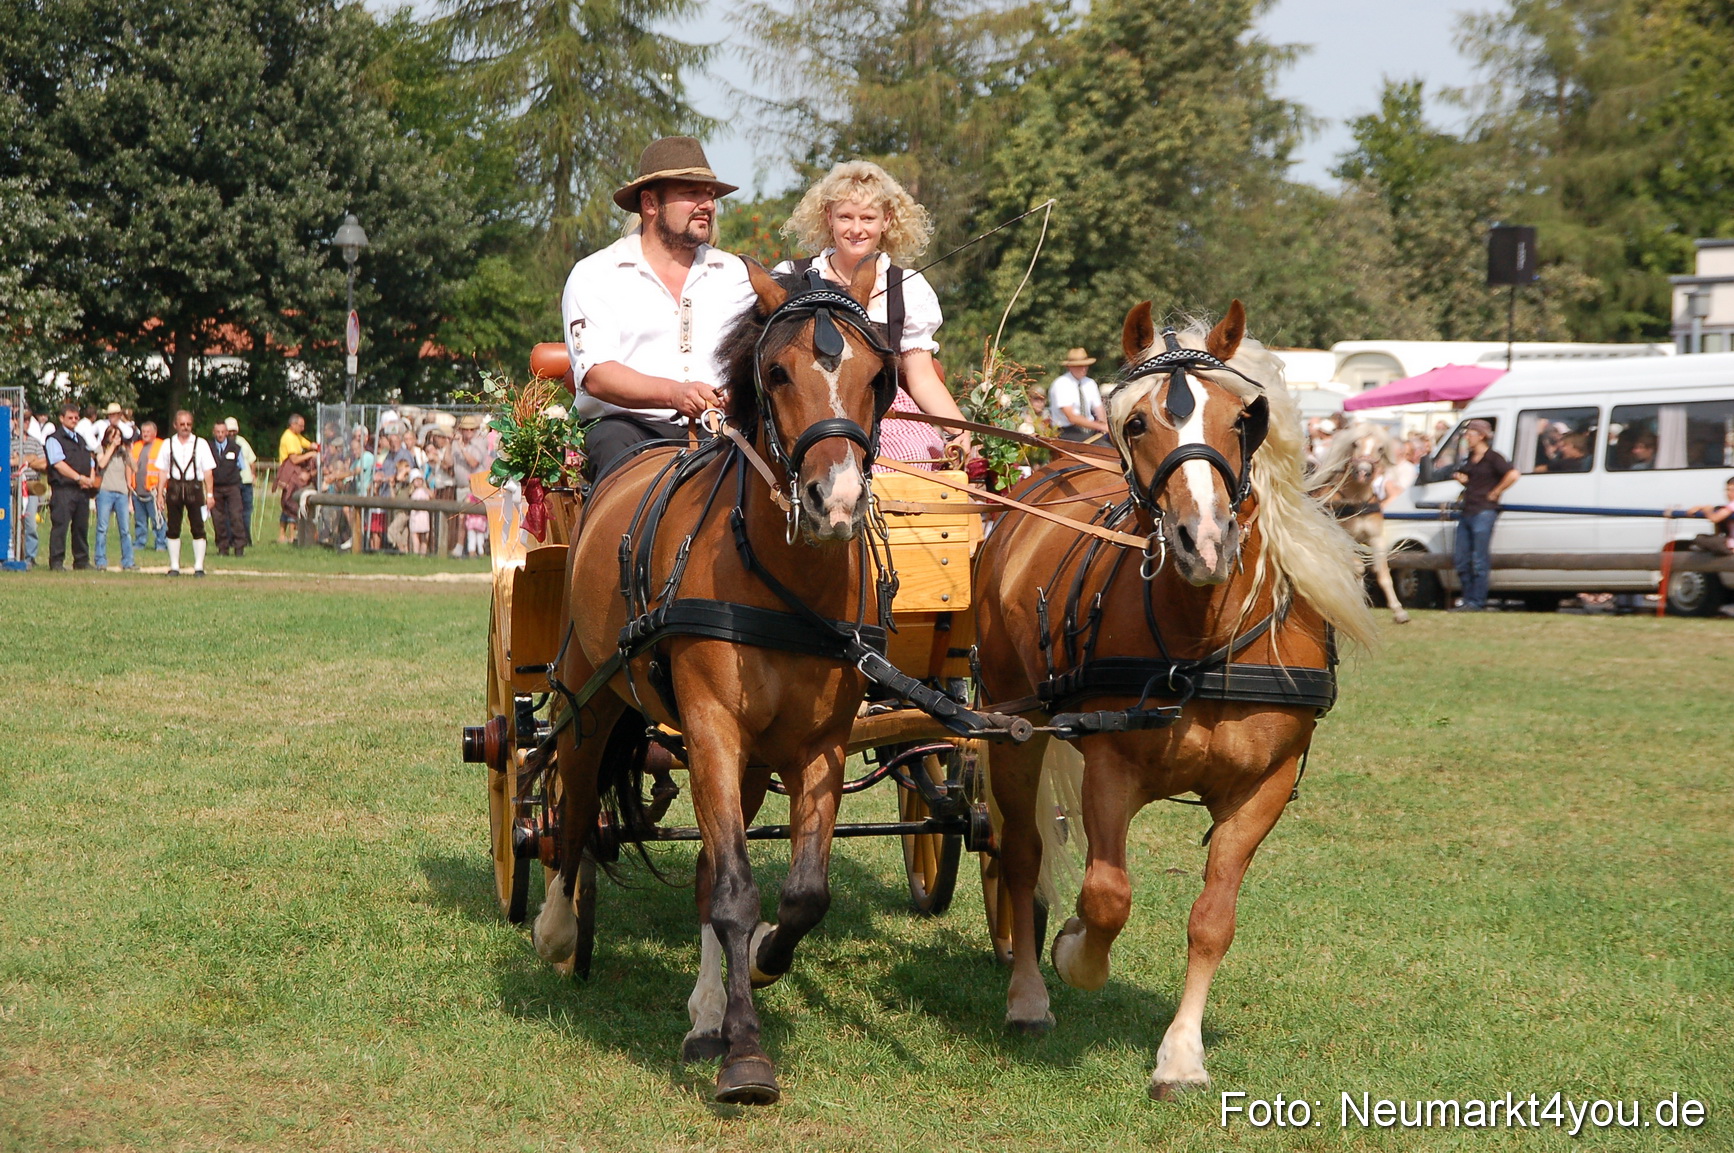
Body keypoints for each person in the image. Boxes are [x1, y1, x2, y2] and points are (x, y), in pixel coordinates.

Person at [561, 136, 756, 480]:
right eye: (691, 193)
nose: (706, 204)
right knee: (611, 444)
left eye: (709, 194)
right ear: (650, 203)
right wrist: (675, 393)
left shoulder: (737, 274)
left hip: (722, 431)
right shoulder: (596, 274)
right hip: (629, 430)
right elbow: (597, 376)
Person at [775, 159, 971, 469]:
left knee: (908, 461)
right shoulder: (792, 277)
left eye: (868, 218)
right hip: (809, 412)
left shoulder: (907, 288)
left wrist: (958, 429)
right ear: (829, 217)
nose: (856, 229)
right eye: (845, 217)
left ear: (887, 220)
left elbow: (921, 377)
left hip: (882, 413)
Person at [1449, 418, 1520, 611]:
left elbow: (1513, 474)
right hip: (1468, 510)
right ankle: (1468, 598)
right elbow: (1470, 479)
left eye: (1470, 434)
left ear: (1481, 436)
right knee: (1462, 559)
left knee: (1479, 559)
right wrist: (1463, 481)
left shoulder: (1494, 458)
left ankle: (1476, 601)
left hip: (1484, 510)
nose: (1467, 438)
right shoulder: (1470, 459)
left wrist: (1496, 492)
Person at [154, 409, 216, 576]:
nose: (185, 427)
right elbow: (162, 471)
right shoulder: (167, 444)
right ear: (175, 425)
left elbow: (208, 471)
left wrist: (210, 495)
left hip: (194, 488)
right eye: (182, 424)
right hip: (174, 488)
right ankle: (174, 566)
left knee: (198, 527)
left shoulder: (201, 444)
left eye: (188, 424)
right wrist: (160, 494)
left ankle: (199, 567)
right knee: (173, 527)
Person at [43, 401, 98, 570]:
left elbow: (90, 460)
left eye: (76, 417)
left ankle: (81, 561)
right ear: (61, 418)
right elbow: (57, 463)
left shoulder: (80, 439)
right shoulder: (54, 439)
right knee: (61, 525)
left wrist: (90, 479)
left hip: (81, 490)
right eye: (70, 417)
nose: (74, 420)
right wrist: (78, 477)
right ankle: (57, 561)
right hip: (63, 489)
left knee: (81, 526)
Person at [92, 421, 137, 571]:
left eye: (119, 436)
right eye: (114, 436)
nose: (117, 439)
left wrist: (128, 451)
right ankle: (100, 560)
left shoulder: (122, 452)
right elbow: (102, 464)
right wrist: (111, 448)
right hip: (105, 491)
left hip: (122, 493)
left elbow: (135, 467)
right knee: (102, 528)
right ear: (108, 437)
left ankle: (128, 561)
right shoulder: (101, 449)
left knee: (125, 530)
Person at [1047, 349, 1107, 443]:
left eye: (1085, 365)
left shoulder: (1090, 383)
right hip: (1066, 432)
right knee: (1104, 448)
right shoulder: (1061, 384)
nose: (1084, 368)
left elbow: (1099, 409)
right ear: (1070, 367)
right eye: (1079, 366)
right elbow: (1072, 417)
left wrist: (1105, 425)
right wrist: (1100, 426)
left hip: (1090, 430)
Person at [276, 413, 318, 543]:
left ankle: (287, 534)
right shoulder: (288, 438)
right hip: (289, 473)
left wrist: (315, 446)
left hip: (294, 471)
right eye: (301, 426)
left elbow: (308, 444)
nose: (303, 429)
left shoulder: (296, 436)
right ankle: (287, 535)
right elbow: (294, 459)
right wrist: (311, 454)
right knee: (291, 501)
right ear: (293, 425)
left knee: (291, 502)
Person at [208, 419, 247, 557]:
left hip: (233, 487)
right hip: (215, 487)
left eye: (222, 432)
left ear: (226, 432)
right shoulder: (208, 447)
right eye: (217, 432)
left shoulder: (236, 447)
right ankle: (222, 548)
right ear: (214, 433)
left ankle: (239, 547)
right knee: (218, 519)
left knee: (236, 516)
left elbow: (242, 466)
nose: (220, 435)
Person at [128, 421, 167, 551]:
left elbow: (166, 468)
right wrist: (129, 483)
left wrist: (161, 488)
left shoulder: (162, 446)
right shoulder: (136, 446)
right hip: (137, 491)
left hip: (154, 491)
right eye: (143, 432)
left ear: (154, 433)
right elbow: (129, 465)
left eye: (148, 432)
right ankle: (140, 542)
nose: (145, 434)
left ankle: (161, 543)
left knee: (158, 519)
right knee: (139, 521)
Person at [226, 417, 257, 551]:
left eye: (234, 431)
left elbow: (252, 460)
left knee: (246, 512)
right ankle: (231, 539)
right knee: (231, 513)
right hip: (233, 483)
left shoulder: (243, 442)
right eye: (229, 431)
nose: (232, 434)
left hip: (246, 482)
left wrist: (253, 475)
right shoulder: (223, 444)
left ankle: (246, 538)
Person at [1682, 476, 1734, 555]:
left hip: (1730, 544)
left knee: (1701, 539)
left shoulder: (1732, 505)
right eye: (1727, 490)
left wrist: (1707, 510)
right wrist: (1701, 507)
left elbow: (1715, 518)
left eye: (1732, 490)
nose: (1728, 493)